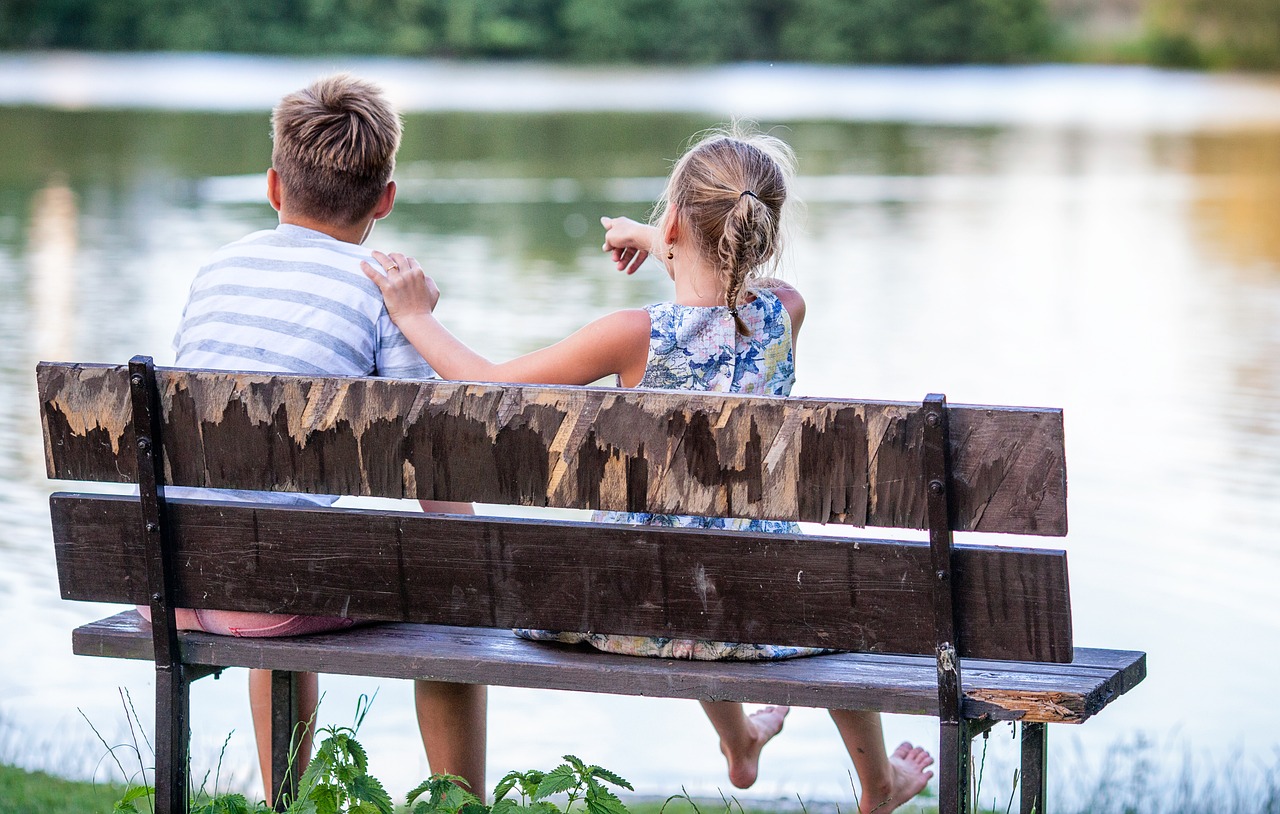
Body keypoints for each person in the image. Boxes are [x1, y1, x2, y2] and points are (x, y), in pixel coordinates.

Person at [361, 126, 934, 814]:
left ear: (673, 225)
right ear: (762, 232)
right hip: (774, 612)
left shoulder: (633, 334)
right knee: (786, 584)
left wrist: (416, 314)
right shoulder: (786, 312)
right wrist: (663, 236)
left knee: (678, 557)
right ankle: (876, 785)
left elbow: (487, 386)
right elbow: (736, 293)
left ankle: (742, 740)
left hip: (622, 608)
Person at [163, 73, 486, 804]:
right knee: (446, 589)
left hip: (175, 577)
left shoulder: (217, 270)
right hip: (268, 591)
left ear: (274, 186)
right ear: (386, 200)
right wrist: (472, 565)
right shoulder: (382, 289)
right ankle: (461, 801)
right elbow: (431, 465)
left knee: (273, 543)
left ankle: (285, 800)